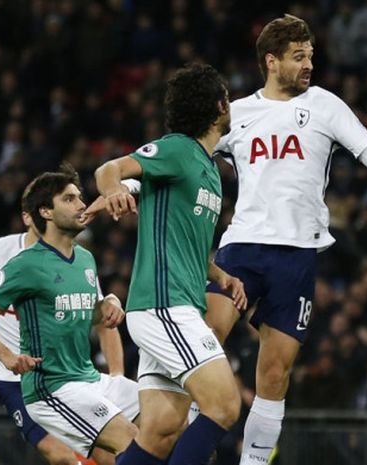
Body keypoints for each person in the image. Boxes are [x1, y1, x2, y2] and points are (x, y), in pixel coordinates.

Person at [87, 15, 367, 465]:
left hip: (297, 252)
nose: (309, 63)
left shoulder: (326, 106)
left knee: (275, 374)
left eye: (311, 54)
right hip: (241, 248)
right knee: (205, 336)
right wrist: (125, 188)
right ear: (271, 61)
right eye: (299, 56)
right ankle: (195, 434)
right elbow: (177, 161)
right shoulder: (238, 113)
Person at [94, 63, 247, 465]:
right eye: (227, 99)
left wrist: (220, 275)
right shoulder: (178, 148)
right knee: (225, 405)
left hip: (177, 304)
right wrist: (112, 190)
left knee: (162, 429)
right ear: (218, 106)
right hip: (164, 306)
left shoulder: (210, 169)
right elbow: (110, 168)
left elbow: (188, 245)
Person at [0, 165, 140, 461]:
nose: (82, 205)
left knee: (172, 416)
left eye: (80, 198)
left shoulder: (85, 258)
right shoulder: (25, 265)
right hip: (53, 388)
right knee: (131, 442)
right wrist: (7, 356)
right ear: (45, 212)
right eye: (70, 199)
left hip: (89, 378)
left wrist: (109, 304)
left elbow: (86, 313)